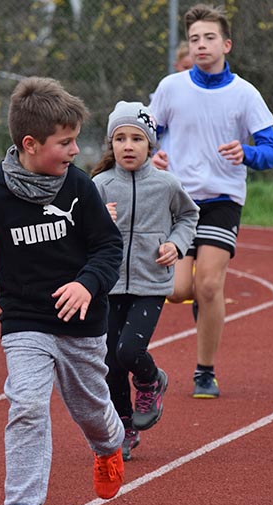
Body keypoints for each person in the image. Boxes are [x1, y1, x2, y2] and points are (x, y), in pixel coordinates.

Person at [0, 77, 125, 505]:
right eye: (66, 142)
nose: (77, 150)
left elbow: (108, 246)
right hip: (25, 321)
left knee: (91, 410)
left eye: (76, 140)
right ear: (30, 143)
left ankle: (108, 445)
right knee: (26, 404)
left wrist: (87, 283)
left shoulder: (79, 188)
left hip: (82, 323)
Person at [150, 3, 273, 398]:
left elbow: (272, 151)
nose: (201, 45)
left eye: (209, 38)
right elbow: (146, 134)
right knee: (176, 290)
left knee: (208, 285)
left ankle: (204, 370)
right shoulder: (171, 88)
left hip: (223, 198)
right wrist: (152, 154)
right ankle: (200, 303)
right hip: (178, 199)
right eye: (194, 39)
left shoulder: (245, 94)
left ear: (226, 44)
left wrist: (247, 152)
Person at [91, 101, 199, 461]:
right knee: (109, 359)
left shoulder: (166, 184)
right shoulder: (100, 185)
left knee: (128, 352)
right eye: (120, 138)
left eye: (136, 138)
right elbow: (79, 235)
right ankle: (124, 427)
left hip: (151, 283)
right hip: (109, 284)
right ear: (111, 144)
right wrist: (97, 221)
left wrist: (175, 244)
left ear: (150, 145)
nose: (127, 145)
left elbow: (188, 217)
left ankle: (152, 380)